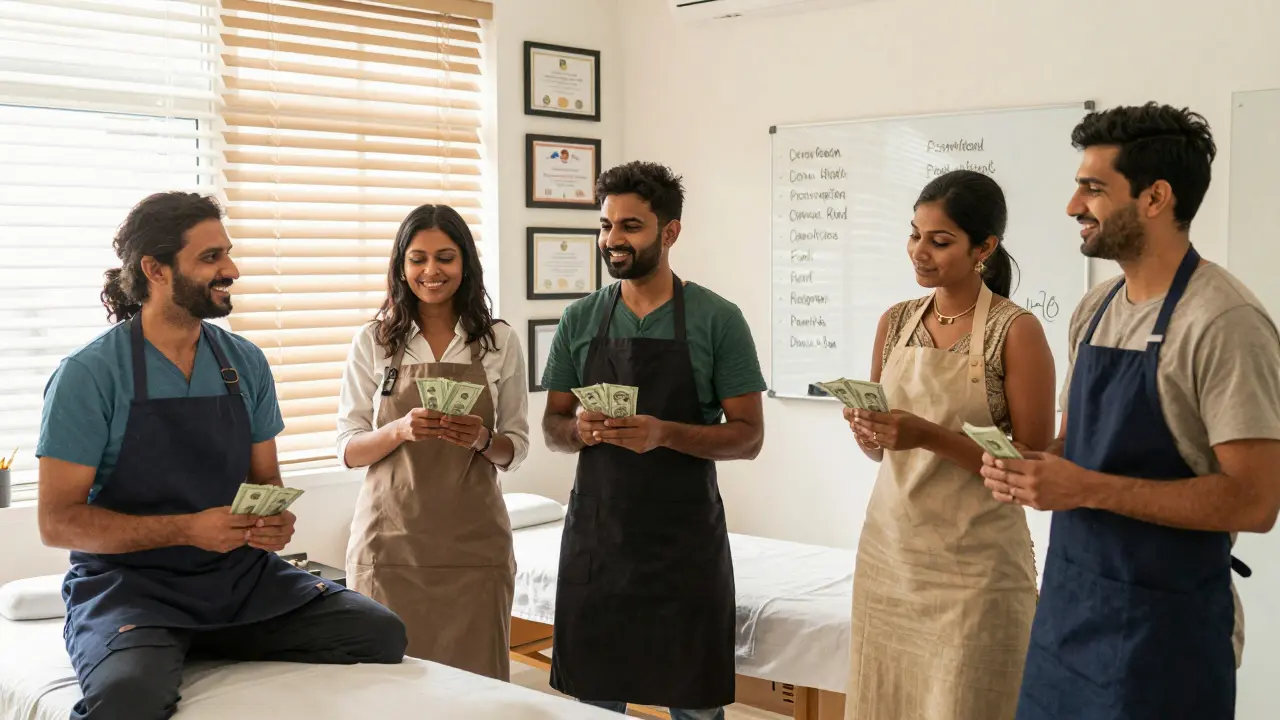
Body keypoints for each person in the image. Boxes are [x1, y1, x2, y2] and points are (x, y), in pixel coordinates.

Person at [35, 192, 407, 720]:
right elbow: (57, 522)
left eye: (226, 254)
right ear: (155, 270)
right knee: (127, 698)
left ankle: (192, 639)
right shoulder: (89, 375)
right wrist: (188, 529)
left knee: (380, 633)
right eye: (211, 258)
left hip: (238, 580)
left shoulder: (243, 362)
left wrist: (273, 524)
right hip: (130, 588)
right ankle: (164, 640)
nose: (230, 269)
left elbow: (266, 484)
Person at [979, 103, 1280, 720]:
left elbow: (1255, 501)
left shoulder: (1224, 323)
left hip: (1164, 633)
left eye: (1093, 188)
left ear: (1155, 197)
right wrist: (1035, 466)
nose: (1072, 206)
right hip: (1068, 614)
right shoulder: (1095, 308)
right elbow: (1076, 444)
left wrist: (1085, 487)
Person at [540, 161, 766, 720]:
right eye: (606, 225)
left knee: (694, 706)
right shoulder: (579, 318)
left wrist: (663, 433)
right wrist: (580, 430)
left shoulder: (718, 319)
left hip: (682, 547)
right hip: (598, 540)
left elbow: (749, 437)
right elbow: (553, 426)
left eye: (630, 226)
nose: (613, 240)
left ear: (670, 232)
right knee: (592, 706)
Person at [844, 170, 1057, 719]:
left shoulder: (1016, 331)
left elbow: (1032, 467)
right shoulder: (894, 323)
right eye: (914, 234)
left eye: (940, 241)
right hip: (891, 556)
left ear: (985, 247)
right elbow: (883, 453)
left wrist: (930, 436)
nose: (920, 252)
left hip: (976, 571)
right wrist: (870, 432)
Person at [339, 204, 528, 681]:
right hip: (390, 545)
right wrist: (398, 429)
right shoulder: (374, 341)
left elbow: (516, 447)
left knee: (479, 688)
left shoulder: (497, 341)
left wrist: (484, 439)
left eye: (445, 257)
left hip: (474, 544)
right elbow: (348, 447)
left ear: (465, 264)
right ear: (401, 267)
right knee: (389, 686)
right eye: (418, 258)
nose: (431, 271)